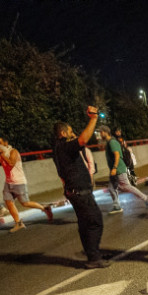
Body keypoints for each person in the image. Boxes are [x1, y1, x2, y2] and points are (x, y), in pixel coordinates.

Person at [52, 107, 109, 269]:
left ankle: (93, 254)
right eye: (70, 131)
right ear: (63, 133)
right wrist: (93, 118)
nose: (72, 133)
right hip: (80, 192)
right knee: (95, 221)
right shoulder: (65, 146)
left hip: (74, 191)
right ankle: (94, 257)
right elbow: (83, 140)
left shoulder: (57, 148)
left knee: (84, 224)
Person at [0, 136, 53, 232]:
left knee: (25, 203)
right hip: (8, 182)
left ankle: (44, 208)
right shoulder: (0, 154)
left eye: (0, 143)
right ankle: (18, 223)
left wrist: (1, 154)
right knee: (8, 202)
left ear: (6, 143)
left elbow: (11, 163)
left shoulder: (13, 151)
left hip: (19, 182)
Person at [99, 125, 148, 214]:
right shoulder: (109, 142)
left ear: (105, 132)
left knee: (127, 187)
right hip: (115, 169)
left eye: (100, 132)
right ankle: (117, 206)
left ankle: (146, 198)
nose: (100, 134)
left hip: (118, 169)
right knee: (111, 188)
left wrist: (115, 168)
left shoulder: (112, 142)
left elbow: (117, 155)